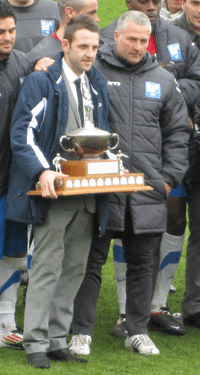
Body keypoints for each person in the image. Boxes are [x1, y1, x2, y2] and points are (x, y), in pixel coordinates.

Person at [67, 10, 190, 356]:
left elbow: (178, 132)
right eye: (131, 39)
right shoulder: (94, 71)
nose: (137, 46)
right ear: (116, 37)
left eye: (142, 40)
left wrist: (168, 180)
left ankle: (137, 329)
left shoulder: (164, 80)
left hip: (147, 188)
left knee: (142, 263)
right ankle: (81, 332)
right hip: (101, 187)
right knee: (89, 262)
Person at [6, 15, 110, 369]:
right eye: (83, 46)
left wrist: (112, 164)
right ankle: (35, 341)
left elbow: (104, 135)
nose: (90, 54)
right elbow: (23, 133)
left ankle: (56, 338)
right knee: (48, 266)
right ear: (64, 44)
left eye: (95, 48)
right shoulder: (41, 82)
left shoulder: (97, 83)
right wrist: (42, 171)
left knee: (75, 268)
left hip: (87, 191)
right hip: (52, 192)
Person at [99, 0, 200, 338]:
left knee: (173, 222)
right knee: (125, 223)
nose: (151, 6)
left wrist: (168, 87)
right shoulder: (107, 39)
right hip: (129, 158)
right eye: (143, 2)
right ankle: (126, 312)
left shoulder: (178, 39)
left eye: (155, 1)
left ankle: (157, 304)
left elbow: (196, 81)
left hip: (175, 155)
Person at [0, 0, 44, 350]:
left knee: (15, 252)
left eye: (12, 31)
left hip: (12, 180)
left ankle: (6, 324)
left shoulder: (21, 65)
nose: (8, 38)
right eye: (1, 32)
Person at [171, 0, 200, 329]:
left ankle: (194, 305)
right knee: (166, 225)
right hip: (175, 147)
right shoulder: (167, 35)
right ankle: (153, 304)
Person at [28, 0, 99, 61]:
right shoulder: (41, 57)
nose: (97, 19)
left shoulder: (98, 48)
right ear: (70, 13)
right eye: (91, 13)